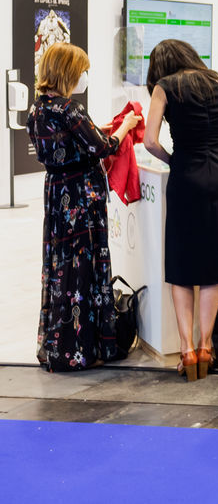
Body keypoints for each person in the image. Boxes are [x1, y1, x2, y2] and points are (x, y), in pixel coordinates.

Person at [142, 39, 218, 382]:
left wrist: (174, 160)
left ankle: (187, 350)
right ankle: (207, 347)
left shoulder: (165, 87)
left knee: (182, 265)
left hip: (186, 177)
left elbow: (149, 141)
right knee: (215, 265)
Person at [26, 43, 141, 372]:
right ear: (69, 72)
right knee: (84, 266)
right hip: (81, 196)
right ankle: (87, 345)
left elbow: (72, 142)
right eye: (83, 70)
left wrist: (99, 130)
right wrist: (126, 125)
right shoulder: (70, 109)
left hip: (57, 193)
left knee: (61, 267)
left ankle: (61, 345)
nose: (86, 76)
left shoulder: (38, 109)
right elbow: (103, 147)